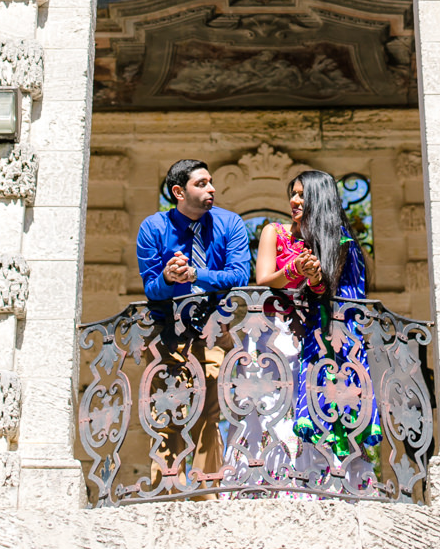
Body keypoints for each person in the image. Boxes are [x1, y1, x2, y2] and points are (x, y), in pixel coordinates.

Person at [135, 159, 250, 486]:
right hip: (166, 335)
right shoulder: (154, 228)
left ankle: (205, 495)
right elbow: (151, 288)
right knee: (165, 414)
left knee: (208, 417)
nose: (211, 188)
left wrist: (198, 274)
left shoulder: (230, 224)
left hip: (214, 330)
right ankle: (164, 493)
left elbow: (240, 275)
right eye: (201, 184)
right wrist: (169, 278)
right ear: (178, 192)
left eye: (211, 182)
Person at [255, 169, 381, 462]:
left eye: (302, 194)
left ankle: (321, 479)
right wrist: (296, 270)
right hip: (279, 334)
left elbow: (328, 290)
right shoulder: (275, 231)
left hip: (320, 337)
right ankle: (279, 477)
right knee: (277, 406)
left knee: (318, 400)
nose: (294, 200)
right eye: (293, 194)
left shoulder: (335, 243)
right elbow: (263, 279)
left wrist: (313, 278)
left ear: (319, 199)